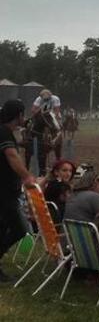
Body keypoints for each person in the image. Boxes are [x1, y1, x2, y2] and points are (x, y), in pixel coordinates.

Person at [0, 99, 36, 283]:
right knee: (20, 229)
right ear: (19, 115)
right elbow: (11, 156)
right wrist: (27, 177)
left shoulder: (6, 132)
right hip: (5, 191)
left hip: (6, 191)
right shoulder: (4, 132)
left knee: (3, 227)